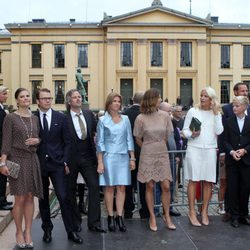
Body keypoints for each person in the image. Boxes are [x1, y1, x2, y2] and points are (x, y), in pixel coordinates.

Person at [36, 88, 83, 244]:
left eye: (49, 98)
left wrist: (64, 160)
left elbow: (67, 142)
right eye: (44, 98)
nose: (48, 100)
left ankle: (71, 231)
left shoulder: (60, 117)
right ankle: (47, 229)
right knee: (43, 200)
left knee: (64, 197)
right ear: (37, 101)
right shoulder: (33, 118)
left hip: (57, 164)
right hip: (39, 164)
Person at [0, 88, 43, 248]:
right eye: (22, 96)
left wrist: (37, 140)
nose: (25, 98)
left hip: (32, 160)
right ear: (17, 100)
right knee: (19, 197)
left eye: (27, 96)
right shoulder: (10, 118)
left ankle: (28, 231)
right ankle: (18, 231)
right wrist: (3, 163)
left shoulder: (35, 118)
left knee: (30, 196)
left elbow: (39, 137)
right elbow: (6, 142)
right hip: (16, 160)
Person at [134, 88, 176, 232]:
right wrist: (147, 146)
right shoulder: (140, 118)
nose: (161, 100)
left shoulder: (165, 116)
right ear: (152, 99)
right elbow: (138, 138)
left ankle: (167, 216)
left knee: (165, 186)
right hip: (147, 154)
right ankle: (152, 216)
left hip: (162, 153)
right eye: (159, 98)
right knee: (150, 186)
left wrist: (158, 145)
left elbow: (166, 136)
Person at [65, 89, 106, 233]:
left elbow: (98, 132)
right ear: (69, 101)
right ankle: (75, 222)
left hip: (88, 156)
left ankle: (94, 222)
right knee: (70, 190)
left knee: (94, 187)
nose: (78, 99)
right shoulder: (64, 118)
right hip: (71, 158)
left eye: (79, 97)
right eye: (75, 97)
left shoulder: (89, 115)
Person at [183, 86, 223, 226]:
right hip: (194, 148)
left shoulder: (216, 113)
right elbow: (185, 131)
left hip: (210, 150)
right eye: (201, 95)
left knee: (208, 181)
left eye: (206, 96)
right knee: (193, 180)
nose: (202, 98)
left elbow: (219, 131)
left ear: (212, 99)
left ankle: (205, 211)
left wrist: (217, 113)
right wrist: (191, 134)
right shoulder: (193, 111)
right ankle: (192, 211)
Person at [96, 92, 135, 232]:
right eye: (114, 101)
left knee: (122, 187)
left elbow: (129, 138)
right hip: (108, 157)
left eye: (119, 101)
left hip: (123, 157)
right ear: (109, 103)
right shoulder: (102, 121)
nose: (117, 103)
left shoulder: (125, 119)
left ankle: (120, 216)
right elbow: (99, 142)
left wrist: (132, 157)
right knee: (109, 187)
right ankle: (110, 217)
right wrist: (100, 162)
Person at [218, 82, 250, 222]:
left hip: (247, 159)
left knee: (245, 188)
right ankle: (234, 215)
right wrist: (230, 152)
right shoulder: (228, 119)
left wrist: (245, 150)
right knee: (232, 188)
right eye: (234, 105)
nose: (234, 108)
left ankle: (244, 214)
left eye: (237, 106)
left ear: (244, 107)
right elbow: (224, 139)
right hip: (232, 159)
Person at [123, 91, 150, 219]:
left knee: (128, 184)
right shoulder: (145, 115)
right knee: (143, 184)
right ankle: (144, 211)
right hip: (143, 152)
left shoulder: (124, 114)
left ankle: (128, 211)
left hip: (128, 154)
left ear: (132, 100)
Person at [0, 86, 13, 211]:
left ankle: (3, 199)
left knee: (3, 176)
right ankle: (1, 201)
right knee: (2, 176)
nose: (6, 96)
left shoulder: (2, 108)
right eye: (4, 93)